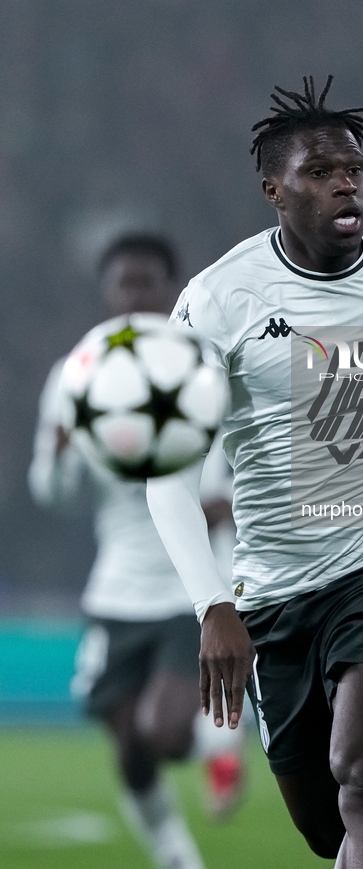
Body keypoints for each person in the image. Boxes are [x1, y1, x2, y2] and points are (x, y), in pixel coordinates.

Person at [147, 76, 363, 868]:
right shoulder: (216, 303)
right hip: (273, 592)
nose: (346, 183)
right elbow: (168, 471)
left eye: (354, 169)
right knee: (330, 833)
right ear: (273, 189)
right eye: (320, 171)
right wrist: (212, 606)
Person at [29, 233, 243, 869]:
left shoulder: (205, 366)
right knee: (130, 746)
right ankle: (178, 857)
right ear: (107, 293)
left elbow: (234, 471)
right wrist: (65, 451)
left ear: (171, 290)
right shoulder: (78, 376)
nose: (135, 295)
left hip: (190, 585)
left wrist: (216, 507)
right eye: (124, 283)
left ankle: (215, 742)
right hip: (116, 588)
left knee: (164, 730)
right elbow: (51, 494)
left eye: (147, 282)